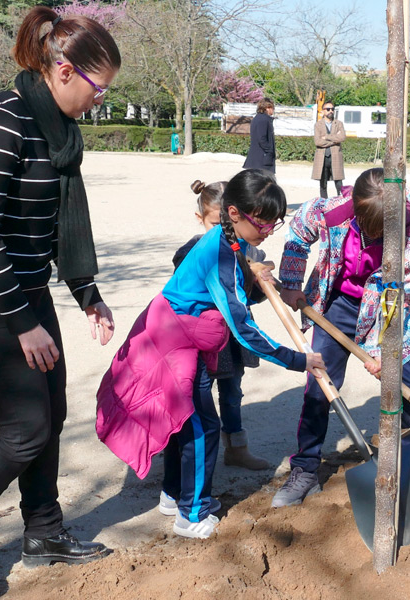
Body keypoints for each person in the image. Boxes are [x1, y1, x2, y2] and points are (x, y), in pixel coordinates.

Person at [0, 7, 121, 599]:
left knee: (52, 416)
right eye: (98, 88)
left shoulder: (61, 132)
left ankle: (44, 531)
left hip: (28, 297)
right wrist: (22, 324)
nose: (99, 101)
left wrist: (86, 293)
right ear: (63, 69)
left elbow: (57, 225)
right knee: (26, 428)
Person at [96, 169, 325, 540]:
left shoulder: (230, 242)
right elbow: (243, 329)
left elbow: (234, 293)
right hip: (172, 343)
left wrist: (261, 283)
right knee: (201, 427)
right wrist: (299, 360)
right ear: (234, 213)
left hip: (182, 340)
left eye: (274, 223)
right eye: (263, 223)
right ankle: (193, 514)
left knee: (183, 421)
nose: (268, 230)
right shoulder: (217, 251)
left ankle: (174, 495)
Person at [273, 168, 410, 509]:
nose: (371, 235)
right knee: (319, 385)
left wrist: (387, 350)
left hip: (387, 311)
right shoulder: (332, 211)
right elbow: (297, 230)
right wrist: (292, 281)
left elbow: (398, 297)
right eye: (367, 227)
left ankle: (407, 475)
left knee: (404, 388)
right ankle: (306, 469)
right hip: (336, 305)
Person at [170, 179, 270, 471]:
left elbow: (249, 297)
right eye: (215, 223)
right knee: (195, 396)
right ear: (200, 219)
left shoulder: (246, 249)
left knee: (232, 392)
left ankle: (237, 448)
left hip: (234, 335)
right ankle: (181, 449)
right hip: (202, 338)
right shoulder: (191, 252)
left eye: (225, 223)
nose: (221, 231)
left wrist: (260, 283)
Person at [312, 100, 346, 199]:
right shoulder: (318, 125)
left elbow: (342, 137)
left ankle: (341, 202)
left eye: (332, 109)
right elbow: (317, 142)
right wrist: (335, 140)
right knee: (323, 184)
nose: (330, 111)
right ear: (323, 111)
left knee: (339, 183)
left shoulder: (339, 124)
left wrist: (326, 137)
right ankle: (324, 204)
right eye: (328, 109)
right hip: (322, 157)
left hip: (335, 156)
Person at [243, 98, 275, 173]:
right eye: (272, 108)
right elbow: (262, 138)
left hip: (258, 158)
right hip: (261, 159)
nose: (273, 110)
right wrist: (270, 150)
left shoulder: (258, 118)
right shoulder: (263, 120)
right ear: (267, 108)